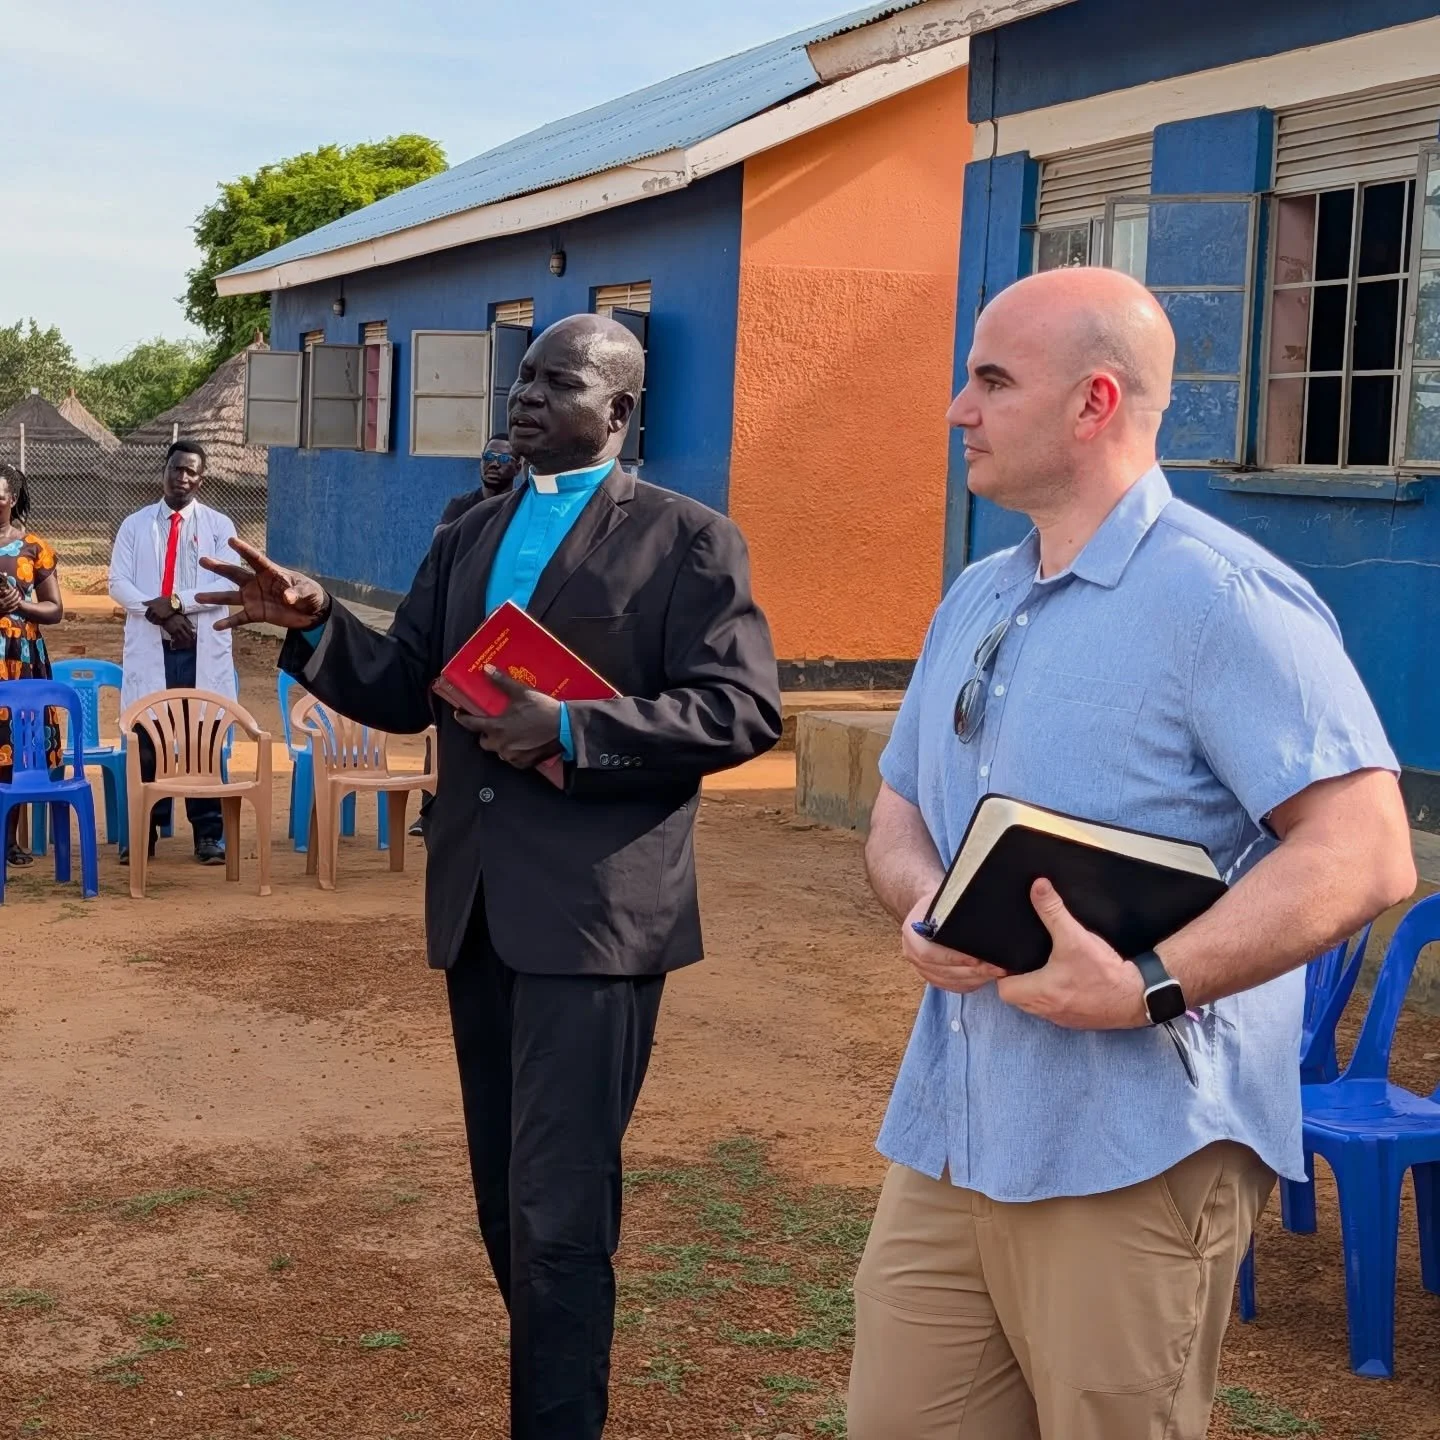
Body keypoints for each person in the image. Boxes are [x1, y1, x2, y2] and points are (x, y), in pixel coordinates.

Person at [847, 267, 1416, 1440]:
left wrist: (1148, 985)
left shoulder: (1224, 599)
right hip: (955, 1132)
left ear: (1094, 403)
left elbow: (1366, 854)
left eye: (993, 380)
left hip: (1136, 1152)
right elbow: (899, 811)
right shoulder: (978, 596)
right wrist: (924, 908)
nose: (960, 408)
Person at [197, 313, 782, 1438]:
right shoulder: (470, 529)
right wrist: (317, 626)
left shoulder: (686, 541)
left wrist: (571, 728)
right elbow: (411, 678)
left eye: (556, 382)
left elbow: (742, 708)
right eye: (520, 378)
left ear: (618, 412)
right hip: (477, 910)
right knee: (507, 1210)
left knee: (561, 1213)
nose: (523, 397)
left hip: (596, 919)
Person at [109, 440, 238, 865]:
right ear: (163, 471)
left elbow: (226, 584)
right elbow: (119, 584)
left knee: (201, 740)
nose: (182, 477)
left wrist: (177, 604)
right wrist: (162, 615)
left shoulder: (220, 525)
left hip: (198, 649)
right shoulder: (134, 524)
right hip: (154, 647)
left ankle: (207, 835)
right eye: (176, 468)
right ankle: (144, 832)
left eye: (191, 472)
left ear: (201, 479)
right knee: (147, 740)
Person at [0, 462, 64, 870]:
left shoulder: (34, 547)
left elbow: (55, 609)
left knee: (15, 747)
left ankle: (7, 841)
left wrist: (18, 605)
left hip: (20, 659)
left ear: (12, 499)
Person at [438, 433, 524, 528]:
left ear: (517, 468)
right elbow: (441, 539)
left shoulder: (522, 509)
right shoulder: (460, 506)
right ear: (481, 461)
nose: (494, 463)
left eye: (503, 458)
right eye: (489, 456)